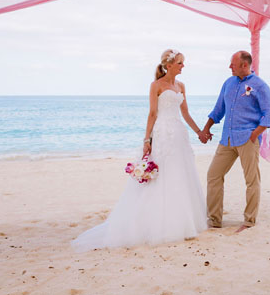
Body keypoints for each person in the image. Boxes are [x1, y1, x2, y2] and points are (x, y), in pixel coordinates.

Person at [72, 49, 207, 251]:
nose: (183, 66)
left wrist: (199, 132)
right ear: (169, 65)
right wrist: (147, 139)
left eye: (182, 63)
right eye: (180, 63)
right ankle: (158, 224)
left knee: (180, 174)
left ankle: (182, 221)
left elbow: (185, 112)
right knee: (162, 176)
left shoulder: (181, 86)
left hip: (178, 133)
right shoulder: (156, 85)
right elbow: (152, 113)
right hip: (162, 133)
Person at [199, 50, 270, 231]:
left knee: (251, 180)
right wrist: (206, 128)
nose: (229, 67)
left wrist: (256, 132)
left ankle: (249, 220)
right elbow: (219, 109)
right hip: (226, 139)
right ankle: (214, 219)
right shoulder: (228, 83)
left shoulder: (259, 85)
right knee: (213, 175)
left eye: (232, 64)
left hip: (247, 139)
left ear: (244, 65)